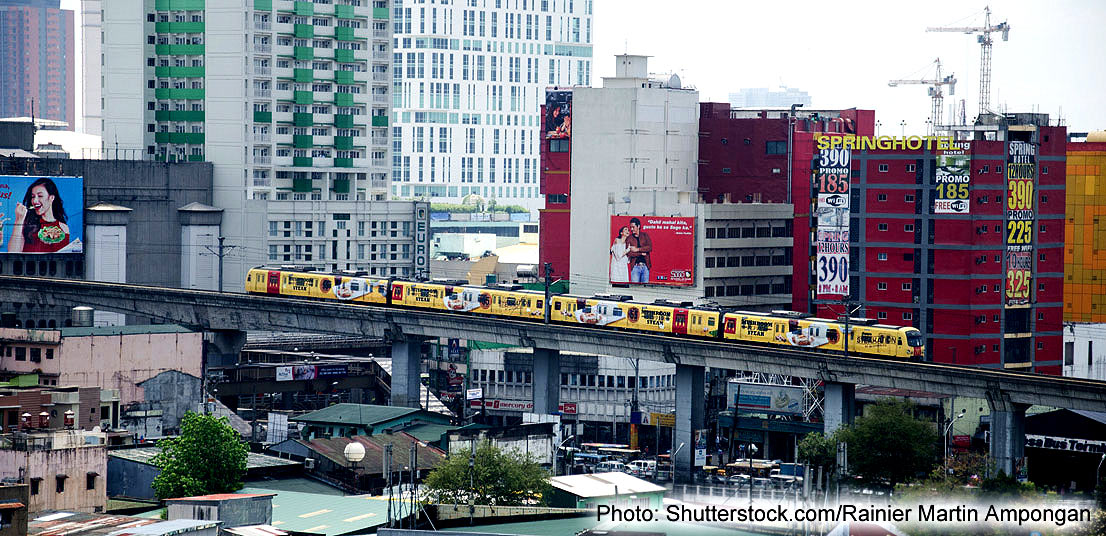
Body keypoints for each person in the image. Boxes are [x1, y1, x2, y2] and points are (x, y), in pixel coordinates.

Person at [8, 178, 70, 253]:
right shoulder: (27, 223)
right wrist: (19, 219)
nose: (35, 201)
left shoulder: (63, 228)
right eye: (33, 196)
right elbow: (12, 252)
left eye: (40, 196)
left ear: (51, 198)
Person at [625, 217, 653, 283]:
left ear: (638, 226)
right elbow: (629, 253)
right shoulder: (629, 238)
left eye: (633, 227)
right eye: (630, 227)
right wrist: (640, 253)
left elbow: (649, 247)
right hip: (635, 267)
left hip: (645, 267)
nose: (631, 229)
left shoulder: (645, 235)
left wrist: (637, 249)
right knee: (634, 289)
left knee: (645, 289)